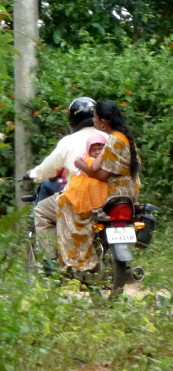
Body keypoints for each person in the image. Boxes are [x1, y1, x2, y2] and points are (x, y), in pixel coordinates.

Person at [56, 100, 141, 272]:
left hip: (112, 193)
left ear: (103, 121)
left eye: (95, 118)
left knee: (65, 202)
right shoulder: (124, 138)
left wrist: (81, 166)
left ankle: (78, 260)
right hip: (128, 192)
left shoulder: (115, 141)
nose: (93, 122)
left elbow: (101, 174)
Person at [24, 97, 107, 267]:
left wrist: (33, 174)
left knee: (41, 211)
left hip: (81, 198)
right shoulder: (110, 137)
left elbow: (46, 169)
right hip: (110, 197)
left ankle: (50, 263)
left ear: (72, 120)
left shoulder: (68, 141)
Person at [62, 133, 108, 213]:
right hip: (83, 182)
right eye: (93, 150)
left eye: (100, 149)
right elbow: (94, 168)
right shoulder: (89, 158)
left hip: (92, 180)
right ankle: (97, 207)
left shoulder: (109, 158)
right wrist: (101, 155)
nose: (97, 152)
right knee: (95, 185)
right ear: (88, 151)